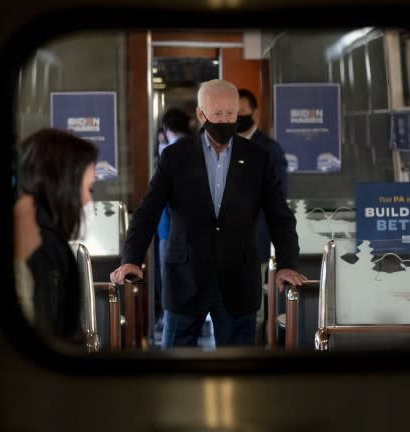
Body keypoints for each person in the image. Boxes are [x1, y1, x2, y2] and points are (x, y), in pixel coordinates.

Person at [110, 79, 306, 347]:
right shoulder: (174, 156)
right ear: (201, 115)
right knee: (177, 370)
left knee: (238, 372)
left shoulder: (258, 158)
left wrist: (287, 263)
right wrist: (131, 258)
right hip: (185, 278)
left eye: (230, 113)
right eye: (217, 114)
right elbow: (148, 211)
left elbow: (279, 215)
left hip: (238, 281)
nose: (225, 120)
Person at [14, 128, 98, 339]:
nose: (88, 201)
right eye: (88, 189)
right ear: (62, 186)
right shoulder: (40, 244)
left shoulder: (43, 236)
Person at [236, 88, 289, 342]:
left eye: (242, 112)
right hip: (223, 245)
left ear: (255, 113)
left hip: (256, 242)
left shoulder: (269, 150)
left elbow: (278, 204)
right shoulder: (222, 146)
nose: (236, 117)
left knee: (253, 311)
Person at [153, 108, 192, 328]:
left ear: (166, 129)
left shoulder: (168, 153)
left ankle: (170, 322)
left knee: (170, 281)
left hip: (169, 229)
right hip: (189, 229)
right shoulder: (200, 150)